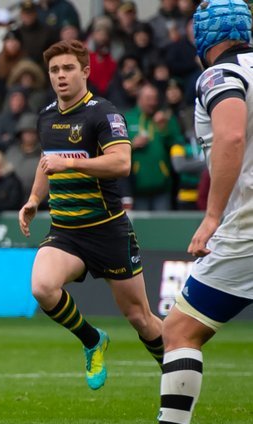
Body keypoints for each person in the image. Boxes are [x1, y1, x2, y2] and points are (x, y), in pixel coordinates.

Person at [97, 0, 253, 424]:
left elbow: (231, 136)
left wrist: (212, 215)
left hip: (247, 229)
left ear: (204, 38)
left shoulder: (220, 76)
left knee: (180, 331)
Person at [18, 39, 163, 392]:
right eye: (54, 70)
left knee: (140, 319)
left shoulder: (103, 113)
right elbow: (47, 161)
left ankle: (175, 370)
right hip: (66, 231)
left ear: (85, 72)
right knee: (42, 287)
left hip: (107, 231)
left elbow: (121, 163)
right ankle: (92, 340)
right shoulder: (46, 115)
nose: (60, 75)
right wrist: (34, 198)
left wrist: (69, 163)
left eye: (68, 68)